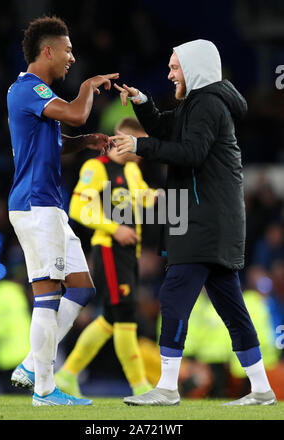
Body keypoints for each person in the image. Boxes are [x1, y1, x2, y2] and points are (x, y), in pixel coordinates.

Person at [111, 39, 277, 406]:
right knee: (232, 308)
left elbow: (190, 153)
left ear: (195, 68)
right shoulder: (199, 104)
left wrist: (139, 147)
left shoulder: (207, 104)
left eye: (175, 67)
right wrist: (142, 102)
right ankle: (262, 390)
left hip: (204, 222)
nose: (169, 74)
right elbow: (166, 129)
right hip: (211, 221)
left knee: (173, 297)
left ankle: (168, 387)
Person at [7, 15, 119, 406]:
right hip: (36, 206)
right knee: (48, 294)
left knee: (83, 288)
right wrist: (88, 87)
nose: (72, 59)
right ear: (48, 50)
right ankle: (44, 389)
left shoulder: (40, 98)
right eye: (68, 51)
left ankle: (29, 365)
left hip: (48, 207)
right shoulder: (28, 89)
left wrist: (84, 141)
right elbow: (76, 112)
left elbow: (54, 143)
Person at [54, 117, 154, 397]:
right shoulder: (96, 168)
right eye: (138, 142)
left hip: (129, 253)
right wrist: (115, 229)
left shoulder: (132, 171)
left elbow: (144, 197)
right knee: (125, 316)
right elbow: (77, 208)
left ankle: (67, 374)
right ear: (122, 137)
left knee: (111, 320)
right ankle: (140, 386)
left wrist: (163, 196)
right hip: (109, 249)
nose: (141, 149)